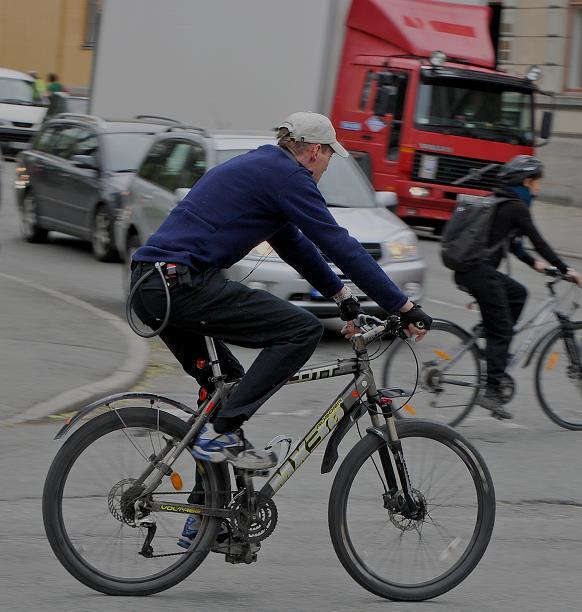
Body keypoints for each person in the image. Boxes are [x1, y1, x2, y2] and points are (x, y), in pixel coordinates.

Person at [130, 111, 432, 471]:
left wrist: (342, 297)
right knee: (301, 330)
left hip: (152, 286)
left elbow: (294, 245)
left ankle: (207, 520)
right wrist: (402, 305)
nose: (325, 168)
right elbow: (339, 244)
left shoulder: (265, 167)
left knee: (227, 389)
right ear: (316, 151)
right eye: (329, 158)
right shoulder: (289, 176)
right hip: (180, 284)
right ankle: (220, 433)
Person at [452, 156, 582, 420]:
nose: (539, 188)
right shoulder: (516, 207)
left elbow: (511, 243)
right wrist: (565, 269)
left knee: (518, 293)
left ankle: (493, 346)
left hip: (471, 271)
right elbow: (539, 240)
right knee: (502, 331)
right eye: (537, 183)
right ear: (527, 181)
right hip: (480, 273)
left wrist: (538, 265)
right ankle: (492, 390)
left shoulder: (500, 201)